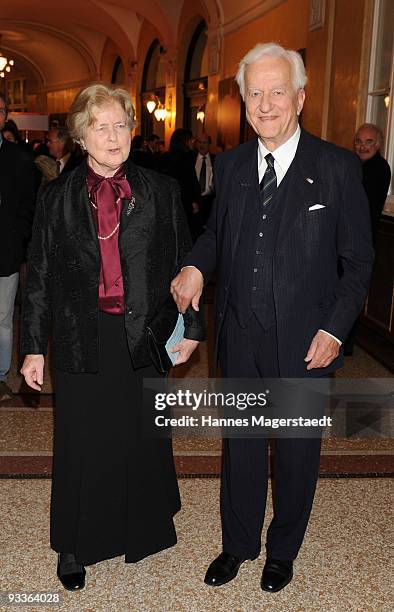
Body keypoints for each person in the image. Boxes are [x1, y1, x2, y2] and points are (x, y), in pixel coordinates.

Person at [171, 43, 373, 593]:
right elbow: (216, 236)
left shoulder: (335, 168)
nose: (265, 104)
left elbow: (358, 263)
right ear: (243, 100)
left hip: (307, 339)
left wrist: (335, 329)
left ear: (300, 97)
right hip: (238, 333)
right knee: (239, 444)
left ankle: (283, 551)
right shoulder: (233, 164)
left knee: (295, 451)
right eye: (254, 93)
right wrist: (194, 266)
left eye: (277, 91)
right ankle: (238, 545)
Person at [20, 83, 204, 591]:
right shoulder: (56, 196)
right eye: (100, 126)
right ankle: (75, 544)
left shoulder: (162, 190)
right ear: (81, 135)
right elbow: (38, 277)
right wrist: (34, 347)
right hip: (83, 333)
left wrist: (191, 327)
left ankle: (142, 529)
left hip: (145, 332)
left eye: (121, 124)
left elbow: (186, 266)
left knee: (141, 435)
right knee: (82, 442)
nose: (113, 135)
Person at [0, 93, 40, 402]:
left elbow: (30, 205)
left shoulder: (19, 157)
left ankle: (0, 376)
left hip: (6, 250)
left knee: (2, 318)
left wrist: (17, 237)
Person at [160, 128, 201, 240]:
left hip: (168, 202)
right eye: (191, 139)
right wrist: (195, 200)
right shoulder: (187, 158)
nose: (194, 141)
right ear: (185, 141)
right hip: (184, 203)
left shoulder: (166, 157)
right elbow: (190, 182)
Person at [354, 123, 391, 241]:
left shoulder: (379, 167)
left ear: (378, 144)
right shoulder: (355, 164)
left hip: (362, 235)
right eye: (359, 142)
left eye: (369, 142)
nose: (362, 147)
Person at [194, 133, 215, 226]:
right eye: (199, 142)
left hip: (210, 201)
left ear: (209, 144)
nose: (202, 145)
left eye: (205, 142)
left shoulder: (216, 159)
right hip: (195, 201)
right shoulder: (190, 158)